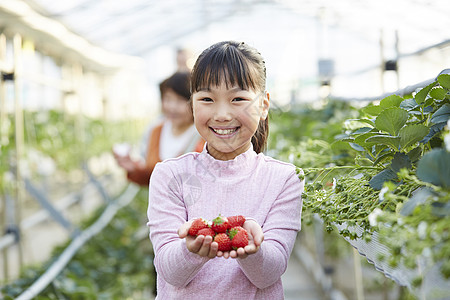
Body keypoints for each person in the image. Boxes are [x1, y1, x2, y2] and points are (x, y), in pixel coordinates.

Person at [147, 41, 304, 299]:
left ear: (263, 105)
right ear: (193, 104)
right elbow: (169, 271)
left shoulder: (284, 179)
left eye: (238, 99)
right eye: (207, 99)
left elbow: (268, 274)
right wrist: (191, 249)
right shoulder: (170, 175)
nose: (221, 114)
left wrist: (254, 249)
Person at [113, 71, 205, 187]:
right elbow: (153, 177)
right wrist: (134, 169)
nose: (172, 107)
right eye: (168, 99)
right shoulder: (157, 131)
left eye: (180, 100)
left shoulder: (204, 135)